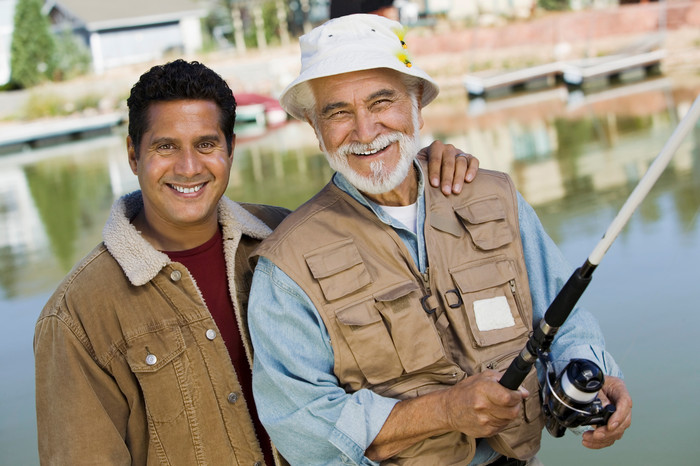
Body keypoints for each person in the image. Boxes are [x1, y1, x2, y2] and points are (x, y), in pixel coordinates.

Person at [33, 58, 479, 465]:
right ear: (134, 155)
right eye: (165, 147)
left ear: (231, 148)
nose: (188, 167)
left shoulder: (289, 240)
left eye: (206, 143)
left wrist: (426, 166)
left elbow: (390, 211)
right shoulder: (75, 316)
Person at [247, 14, 633, 466]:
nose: (366, 130)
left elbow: (562, 318)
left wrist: (595, 372)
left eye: (382, 102)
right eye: (338, 113)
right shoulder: (286, 265)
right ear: (315, 129)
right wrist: (444, 412)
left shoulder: (495, 194)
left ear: (417, 107)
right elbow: (302, 428)